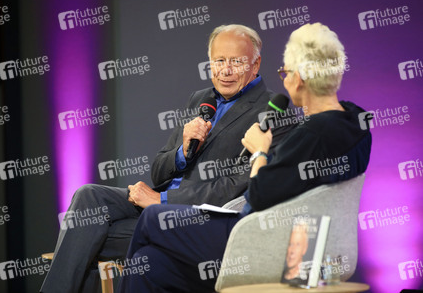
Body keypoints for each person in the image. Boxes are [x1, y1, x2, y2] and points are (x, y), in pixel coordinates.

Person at [117, 22, 372, 293]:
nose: (284, 81)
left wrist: (260, 150)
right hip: (311, 243)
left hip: (264, 242)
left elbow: (260, 196)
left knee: (153, 217)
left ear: (299, 78)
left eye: (284, 72)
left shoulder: (310, 135)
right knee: (152, 263)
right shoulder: (355, 122)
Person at [40, 24, 293, 293]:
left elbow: (236, 187)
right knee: (89, 196)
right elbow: (159, 172)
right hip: (157, 205)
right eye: (219, 61)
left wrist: (161, 201)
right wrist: (182, 152)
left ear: (255, 65)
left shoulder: (271, 111)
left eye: (236, 62)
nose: (226, 70)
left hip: (195, 220)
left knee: (84, 239)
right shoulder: (200, 100)